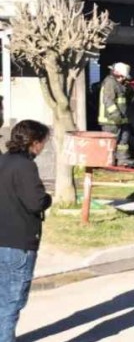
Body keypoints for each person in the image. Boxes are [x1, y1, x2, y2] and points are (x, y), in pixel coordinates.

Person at [0, 120, 52, 341]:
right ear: (33, 142)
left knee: (4, 299)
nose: (43, 147)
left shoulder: (3, 161)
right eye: (42, 142)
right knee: (12, 302)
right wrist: (47, 198)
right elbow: (36, 202)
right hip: (18, 242)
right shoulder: (26, 166)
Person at [98, 62, 134, 166]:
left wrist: (131, 90)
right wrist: (116, 116)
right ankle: (108, 162)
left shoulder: (120, 84)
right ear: (116, 73)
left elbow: (124, 100)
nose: (123, 79)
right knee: (111, 143)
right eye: (122, 77)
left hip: (121, 120)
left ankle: (123, 160)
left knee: (123, 141)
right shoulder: (110, 83)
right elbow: (108, 101)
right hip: (111, 121)